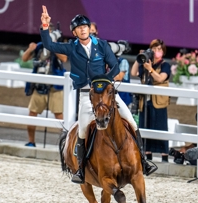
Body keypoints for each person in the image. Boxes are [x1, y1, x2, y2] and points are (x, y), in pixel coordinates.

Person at [39, 5, 157, 184]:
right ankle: (80, 169)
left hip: (106, 94)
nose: (83, 29)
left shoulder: (101, 45)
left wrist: (104, 80)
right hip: (87, 96)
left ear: (89, 29)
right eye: (79, 28)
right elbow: (49, 45)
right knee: (83, 129)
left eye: (85, 26)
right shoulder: (72, 48)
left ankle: (143, 161)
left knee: (131, 122)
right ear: (75, 32)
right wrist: (45, 27)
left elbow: (115, 66)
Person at [23, 24, 67, 147]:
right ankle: (31, 141)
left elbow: (64, 59)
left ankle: (65, 143)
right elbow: (24, 58)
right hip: (39, 86)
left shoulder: (59, 46)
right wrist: (30, 49)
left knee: (59, 115)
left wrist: (52, 45)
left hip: (55, 88)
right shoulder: (39, 46)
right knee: (32, 114)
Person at [131, 39, 171, 162]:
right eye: (154, 49)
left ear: (163, 52)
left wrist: (150, 69)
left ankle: (164, 155)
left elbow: (160, 78)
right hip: (145, 101)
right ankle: (147, 155)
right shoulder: (146, 64)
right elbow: (133, 72)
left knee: (160, 126)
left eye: (159, 49)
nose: (156, 51)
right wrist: (139, 59)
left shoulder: (165, 65)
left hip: (158, 102)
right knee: (145, 125)